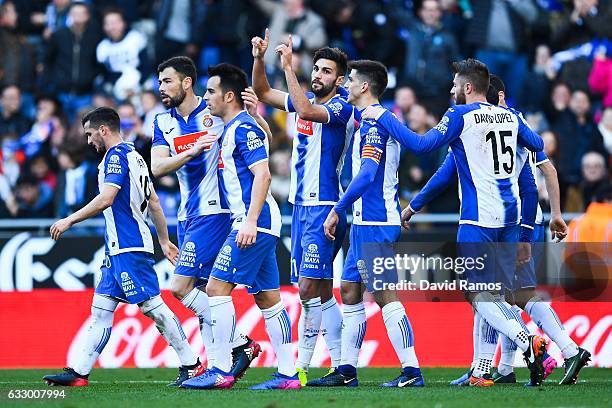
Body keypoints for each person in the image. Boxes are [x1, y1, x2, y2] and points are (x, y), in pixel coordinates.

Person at [362, 59, 547, 387]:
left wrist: (385, 116)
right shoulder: (511, 116)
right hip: (511, 219)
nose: (450, 90)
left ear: (468, 88)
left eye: (454, 85)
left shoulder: (460, 116)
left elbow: (420, 146)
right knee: (490, 294)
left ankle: (526, 340)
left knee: (476, 293)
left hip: (478, 219)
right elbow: (537, 145)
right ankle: (482, 370)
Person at [42, 107, 203, 386]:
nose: (89, 140)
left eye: (91, 134)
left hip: (129, 246)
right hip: (117, 249)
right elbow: (153, 202)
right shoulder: (135, 156)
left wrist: (69, 220)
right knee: (101, 310)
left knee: (153, 307)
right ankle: (79, 372)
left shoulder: (115, 156)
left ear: (104, 130)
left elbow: (106, 199)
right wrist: (164, 241)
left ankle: (192, 364)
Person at [181, 63, 300, 390]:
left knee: (216, 288)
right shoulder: (236, 126)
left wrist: (249, 220)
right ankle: (288, 375)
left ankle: (220, 369)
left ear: (228, 95)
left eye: (210, 91)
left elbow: (263, 175)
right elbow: (263, 137)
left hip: (254, 223)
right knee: (268, 299)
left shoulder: (242, 129)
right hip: (257, 222)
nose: (205, 97)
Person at [307, 60, 424, 388]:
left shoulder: (375, 124)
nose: (345, 86)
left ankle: (411, 369)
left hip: (376, 221)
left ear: (364, 87)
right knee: (349, 290)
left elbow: (368, 174)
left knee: (385, 294)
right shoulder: (368, 120)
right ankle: (347, 370)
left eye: (351, 81)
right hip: (363, 223)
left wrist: (338, 208)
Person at [150, 56, 261, 385]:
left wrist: (256, 115)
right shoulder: (162, 122)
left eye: (167, 81)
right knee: (203, 292)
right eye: (159, 83)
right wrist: (189, 153)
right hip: (187, 215)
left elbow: (252, 132)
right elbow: (157, 168)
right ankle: (217, 367)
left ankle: (240, 342)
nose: (161, 88)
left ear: (186, 82)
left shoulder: (213, 112)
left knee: (180, 287)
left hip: (217, 213)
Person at [251, 29, 352, 384]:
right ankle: (339, 368)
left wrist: (289, 68)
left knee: (308, 289)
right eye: (317, 69)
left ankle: (299, 370)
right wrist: (259, 58)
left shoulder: (340, 107)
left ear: (340, 80)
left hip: (326, 206)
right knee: (320, 291)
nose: (319, 75)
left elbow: (306, 108)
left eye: (326, 71)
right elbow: (263, 92)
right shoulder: (304, 98)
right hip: (302, 206)